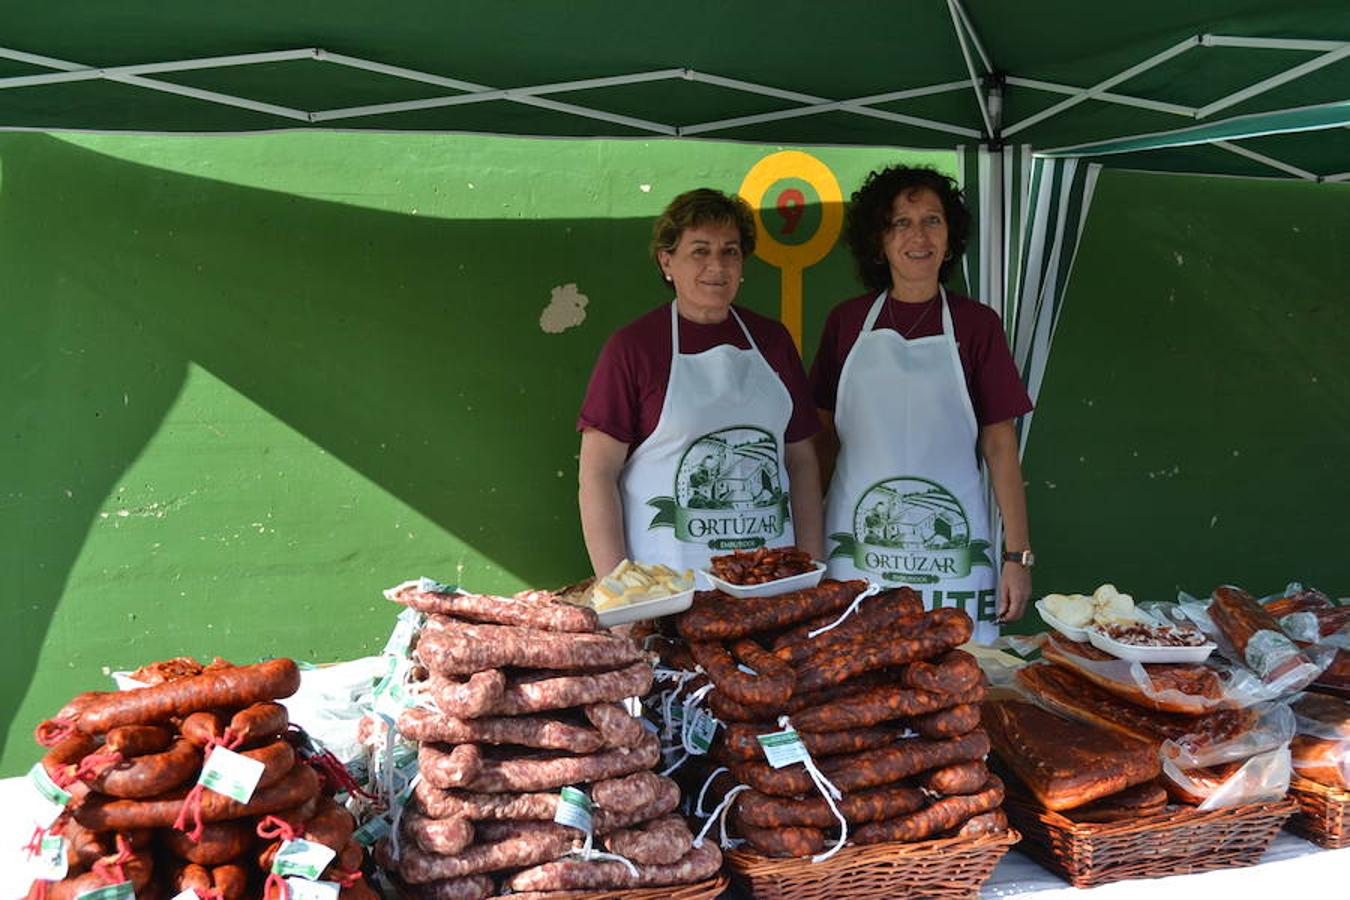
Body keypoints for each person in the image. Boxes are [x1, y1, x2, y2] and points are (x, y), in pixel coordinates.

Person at [811, 166, 1032, 642]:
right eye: (901, 223)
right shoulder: (846, 323)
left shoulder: (978, 326)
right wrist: (805, 550)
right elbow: (822, 441)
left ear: (950, 237)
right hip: (855, 557)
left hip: (953, 565)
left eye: (932, 220)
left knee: (958, 683)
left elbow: (1000, 446)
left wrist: (1017, 556)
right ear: (879, 240)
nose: (919, 236)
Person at [578, 188, 824, 577]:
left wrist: (812, 573)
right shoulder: (633, 347)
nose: (717, 265)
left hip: (770, 586)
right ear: (666, 261)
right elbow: (598, 472)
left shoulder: (772, 341)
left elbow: (802, 462)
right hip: (669, 587)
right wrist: (619, 589)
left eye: (730, 251)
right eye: (699, 250)